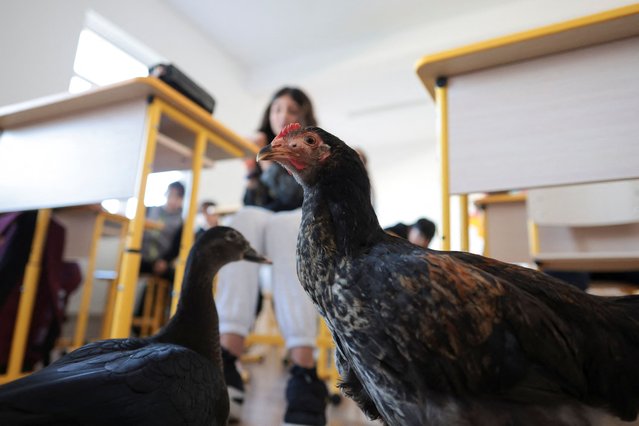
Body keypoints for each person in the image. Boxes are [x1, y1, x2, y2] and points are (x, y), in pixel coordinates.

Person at [215, 87, 328, 425]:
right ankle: (226, 358)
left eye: (291, 109)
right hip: (265, 229)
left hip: (298, 222)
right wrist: (251, 168)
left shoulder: (314, 148)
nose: (282, 114)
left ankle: (303, 368)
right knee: (244, 219)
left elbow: (295, 198)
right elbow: (255, 205)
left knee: (283, 225)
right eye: (276, 108)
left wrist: (279, 156)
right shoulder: (261, 152)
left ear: (303, 116)